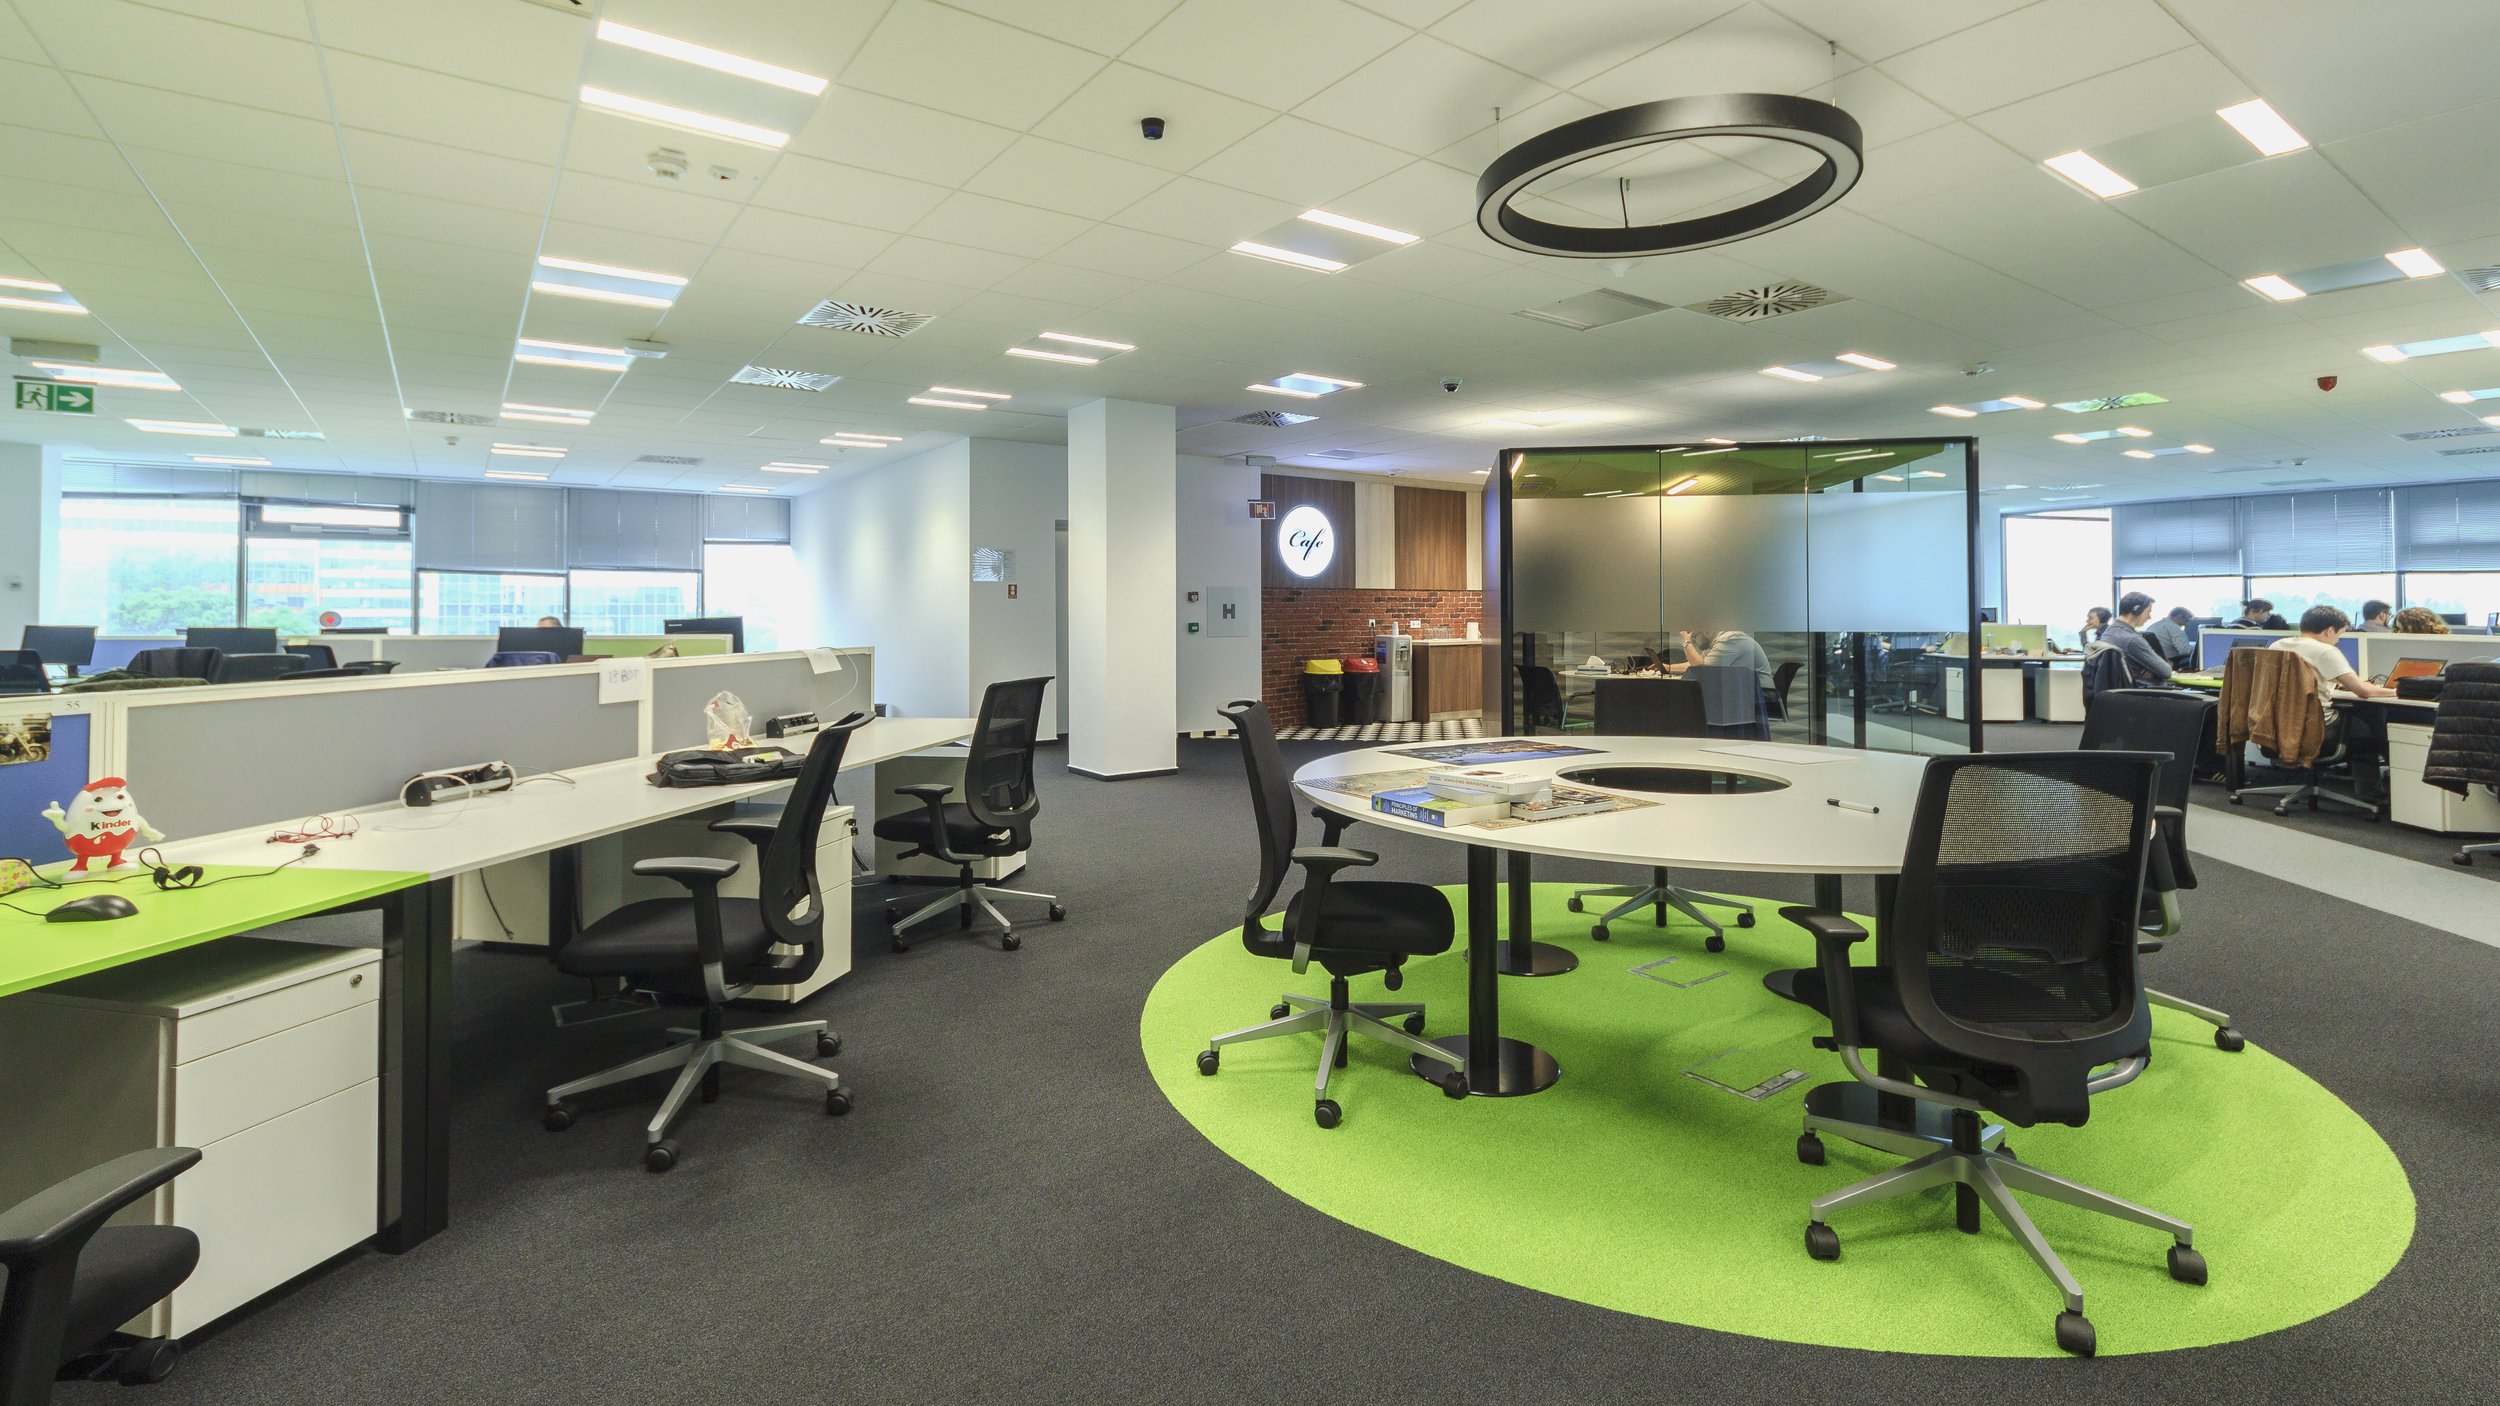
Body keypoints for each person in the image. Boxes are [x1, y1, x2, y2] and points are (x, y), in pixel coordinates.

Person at [2269, 606, 2395, 797]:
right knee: (2370, 724)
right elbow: (2363, 690)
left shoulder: (2278, 646)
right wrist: (2397, 691)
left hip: (2281, 726)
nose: (2337, 641)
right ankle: (2373, 792)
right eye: (2339, 636)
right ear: (2329, 630)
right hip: (2319, 729)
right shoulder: (2326, 651)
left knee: (2365, 719)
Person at [2094, 592, 2175, 686]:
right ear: (2137, 610)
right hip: (2143, 693)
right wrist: (2155, 668)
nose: (2149, 617)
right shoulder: (2132, 639)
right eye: (2148, 612)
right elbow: (2166, 671)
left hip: (2121, 693)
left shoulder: (2108, 633)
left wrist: (2150, 668)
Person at [2144, 605, 2198, 669]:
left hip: (2152, 663)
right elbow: (2185, 650)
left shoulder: (2154, 626)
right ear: (2179, 616)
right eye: (2187, 620)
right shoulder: (2174, 627)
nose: (2186, 624)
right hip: (2169, 663)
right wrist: (2198, 648)